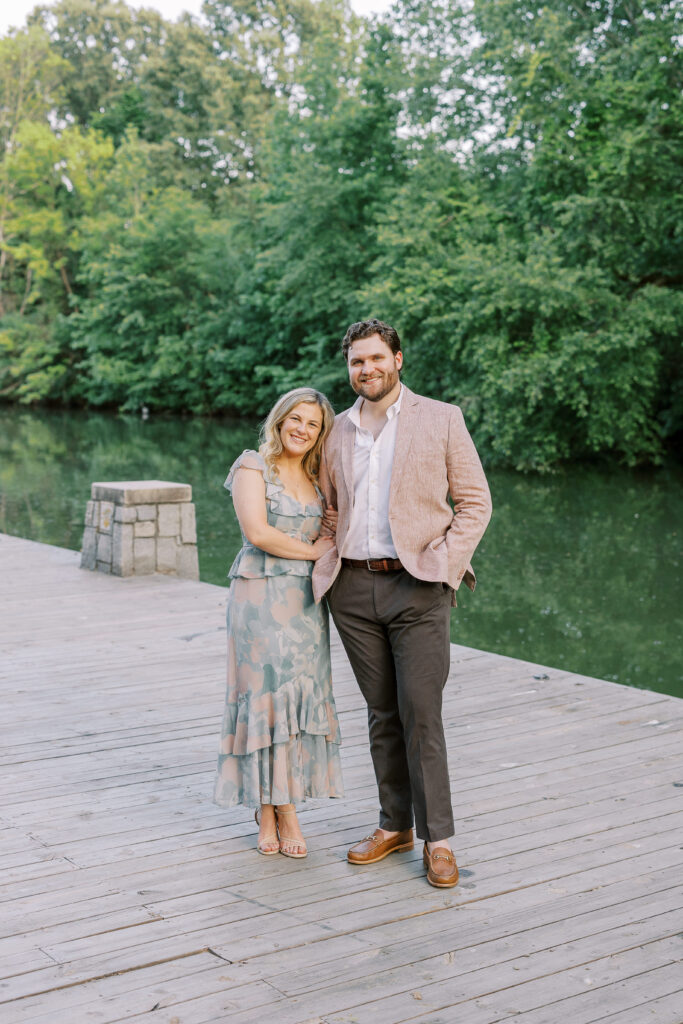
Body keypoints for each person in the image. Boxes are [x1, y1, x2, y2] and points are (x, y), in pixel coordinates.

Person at [312, 319, 492, 887]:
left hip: (419, 585)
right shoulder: (335, 432)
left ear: (398, 360)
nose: (365, 369)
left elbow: (475, 502)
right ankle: (395, 825)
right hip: (353, 588)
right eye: (355, 362)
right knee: (382, 713)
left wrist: (443, 566)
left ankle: (438, 839)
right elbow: (330, 509)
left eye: (374, 358)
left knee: (421, 712)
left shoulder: (441, 419)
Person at [214, 387, 343, 858]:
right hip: (259, 595)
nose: (302, 429)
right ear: (279, 419)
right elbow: (257, 531)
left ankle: (280, 804)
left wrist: (327, 537)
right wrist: (313, 550)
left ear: (320, 433)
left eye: (313, 424)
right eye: (296, 419)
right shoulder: (254, 464)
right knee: (263, 697)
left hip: (305, 604)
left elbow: (332, 530)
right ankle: (273, 810)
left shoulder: (319, 477)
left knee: (296, 697)